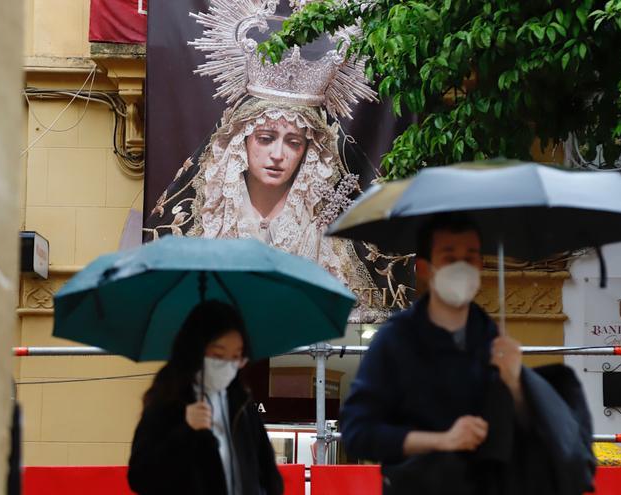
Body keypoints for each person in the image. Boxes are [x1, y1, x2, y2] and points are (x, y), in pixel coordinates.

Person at [340, 213, 595, 495]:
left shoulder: (492, 339)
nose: (462, 267)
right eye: (450, 257)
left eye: (471, 257)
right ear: (424, 269)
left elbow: (525, 437)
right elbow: (358, 434)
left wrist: (516, 385)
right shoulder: (395, 340)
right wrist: (441, 440)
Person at [143, 98, 411, 322]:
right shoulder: (212, 221)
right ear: (241, 142)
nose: (278, 155)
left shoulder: (326, 237)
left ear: (308, 151)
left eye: (293, 142)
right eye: (266, 138)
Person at [127, 300, 283, 495]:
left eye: (236, 357)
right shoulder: (169, 401)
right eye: (218, 355)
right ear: (194, 350)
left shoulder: (242, 404)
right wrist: (185, 431)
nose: (228, 366)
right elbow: (140, 478)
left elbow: (267, 472)